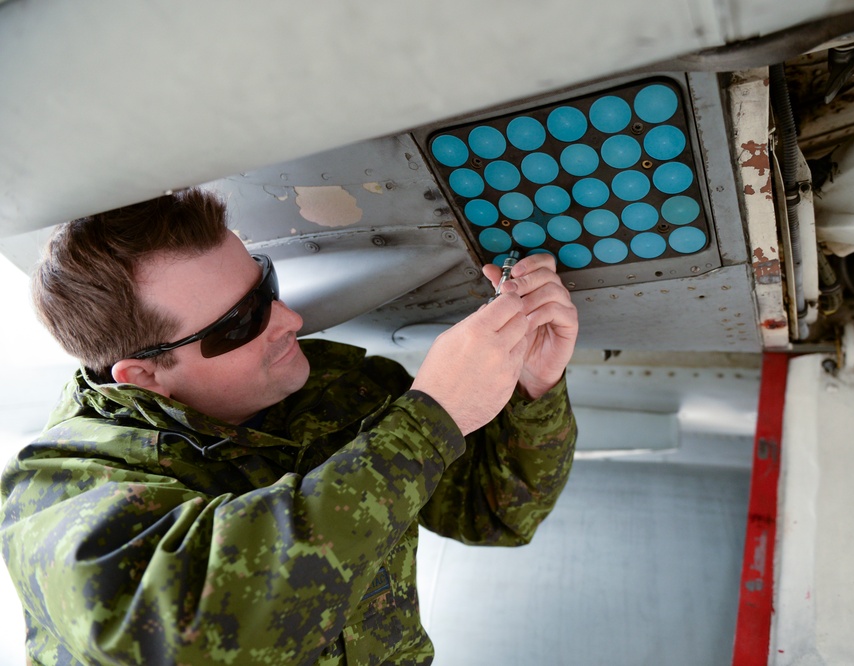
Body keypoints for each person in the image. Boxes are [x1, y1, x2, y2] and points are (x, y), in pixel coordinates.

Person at [0, 189, 578, 664]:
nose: (291, 321)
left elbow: (494, 514)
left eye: (266, 287)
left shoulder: (337, 388)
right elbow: (197, 635)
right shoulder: (57, 491)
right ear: (144, 376)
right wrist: (430, 422)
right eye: (242, 321)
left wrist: (531, 390)